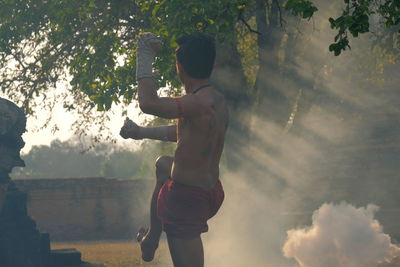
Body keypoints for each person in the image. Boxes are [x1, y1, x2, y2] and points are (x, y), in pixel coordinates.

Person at [120, 32, 229, 267]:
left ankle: (150, 240)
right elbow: (185, 133)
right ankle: (151, 238)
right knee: (163, 165)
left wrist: (144, 54)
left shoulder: (195, 102)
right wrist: (141, 132)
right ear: (213, 64)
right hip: (210, 191)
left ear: (179, 66)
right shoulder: (215, 100)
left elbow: (148, 103)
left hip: (187, 198)